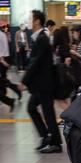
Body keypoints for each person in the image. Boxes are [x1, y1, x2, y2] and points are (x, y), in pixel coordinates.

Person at [19, 10, 62, 154]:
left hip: (45, 84)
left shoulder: (42, 38)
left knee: (48, 113)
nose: (29, 20)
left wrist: (23, 81)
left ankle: (55, 143)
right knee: (31, 108)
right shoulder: (40, 38)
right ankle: (46, 137)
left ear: (37, 21)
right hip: (40, 84)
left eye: (31, 18)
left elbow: (35, 62)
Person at [0, 22, 22, 102]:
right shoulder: (3, 34)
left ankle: (5, 95)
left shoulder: (2, 35)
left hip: (3, 59)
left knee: (3, 79)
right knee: (3, 79)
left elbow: (2, 48)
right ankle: (5, 94)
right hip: (4, 58)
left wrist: (2, 60)